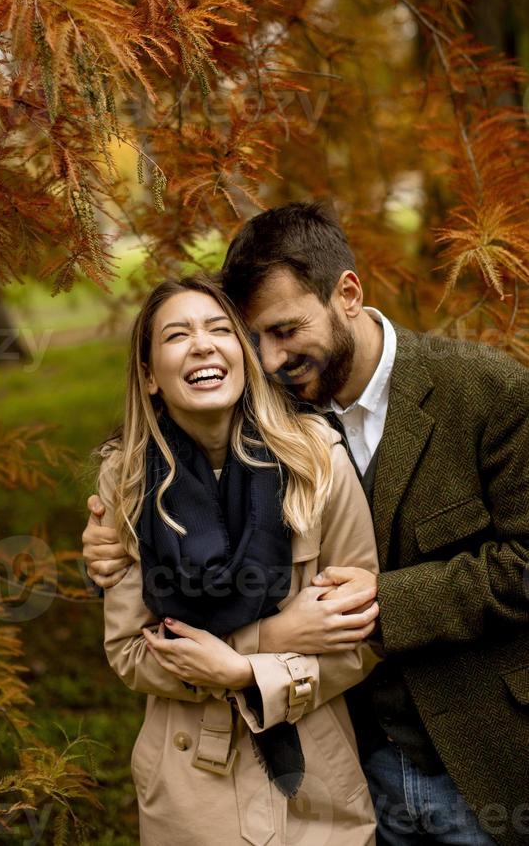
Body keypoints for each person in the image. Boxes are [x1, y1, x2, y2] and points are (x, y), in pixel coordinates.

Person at [84, 203, 529, 846]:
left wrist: (388, 599)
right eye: (255, 337)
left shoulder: (484, 392)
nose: (268, 359)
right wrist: (103, 549)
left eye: (285, 331)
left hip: (477, 756)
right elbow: (167, 516)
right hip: (359, 760)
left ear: (347, 293)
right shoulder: (267, 407)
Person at [93, 273, 381, 845]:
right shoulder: (125, 480)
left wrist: (247, 672)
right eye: (176, 335)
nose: (202, 344)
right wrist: (270, 639)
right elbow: (130, 651)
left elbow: (364, 636)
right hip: (189, 785)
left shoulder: (317, 463)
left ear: (243, 356)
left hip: (313, 773)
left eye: (219, 329)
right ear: (150, 376)